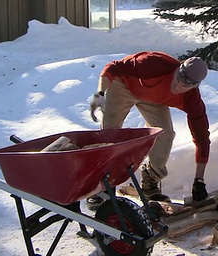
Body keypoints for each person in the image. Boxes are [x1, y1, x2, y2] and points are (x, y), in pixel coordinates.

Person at [88, 51, 210, 207]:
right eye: (178, 78)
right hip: (124, 85)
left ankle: (150, 183)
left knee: (164, 135)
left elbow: (202, 139)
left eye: (185, 85)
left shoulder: (191, 99)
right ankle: (102, 187)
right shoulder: (153, 64)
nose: (178, 85)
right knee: (110, 134)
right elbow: (112, 67)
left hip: (153, 99)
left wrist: (199, 180)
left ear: (194, 86)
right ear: (178, 69)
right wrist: (100, 93)